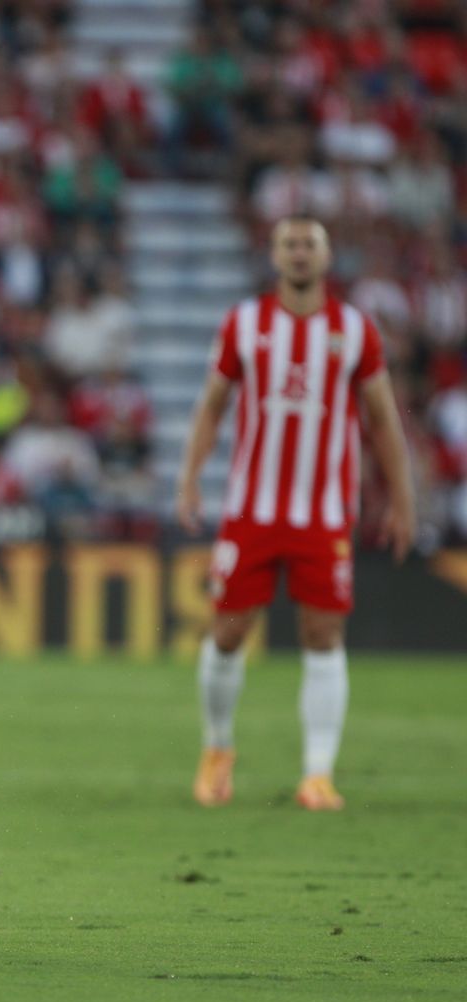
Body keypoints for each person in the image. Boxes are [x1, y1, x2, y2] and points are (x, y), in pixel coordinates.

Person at [176, 215, 414, 812]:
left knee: (323, 633)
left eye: (310, 243)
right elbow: (211, 407)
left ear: (327, 255)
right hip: (251, 508)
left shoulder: (355, 330)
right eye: (289, 243)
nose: (300, 252)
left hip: (326, 512)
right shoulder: (245, 323)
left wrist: (404, 499)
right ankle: (217, 748)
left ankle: (316, 773)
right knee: (228, 634)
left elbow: (383, 419)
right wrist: (189, 480)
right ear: (275, 254)